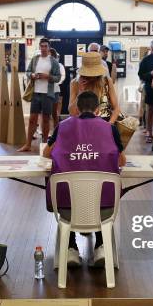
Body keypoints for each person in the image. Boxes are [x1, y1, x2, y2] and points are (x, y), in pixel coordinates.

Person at [43, 91, 126, 267]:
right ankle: (101, 247)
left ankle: (71, 248)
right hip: (104, 209)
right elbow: (121, 160)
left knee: (68, 187)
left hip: (66, 210)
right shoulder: (110, 128)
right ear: (97, 110)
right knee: (100, 191)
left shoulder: (63, 126)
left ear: (77, 108)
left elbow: (47, 153)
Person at [18, 38, 61, 152]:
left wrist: (47, 77)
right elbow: (27, 72)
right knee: (32, 119)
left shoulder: (53, 61)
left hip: (48, 94)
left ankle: (44, 145)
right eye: (41, 46)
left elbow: (58, 78)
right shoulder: (35, 59)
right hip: (36, 93)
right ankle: (27, 144)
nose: (43, 48)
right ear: (39, 47)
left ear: (49, 47)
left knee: (46, 120)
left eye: (45, 46)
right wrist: (32, 75)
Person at [69, 52, 120, 124]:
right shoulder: (75, 83)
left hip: (104, 124)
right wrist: (81, 91)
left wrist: (109, 125)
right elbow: (72, 112)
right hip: (82, 126)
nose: (91, 76)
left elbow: (116, 108)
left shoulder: (107, 81)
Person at [138, 40, 153, 143]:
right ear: (150, 49)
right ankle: (149, 132)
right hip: (150, 87)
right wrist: (150, 74)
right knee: (150, 111)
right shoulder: (146, 60)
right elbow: (140, 74)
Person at [50, 48, 66, 128]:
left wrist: (57, 82)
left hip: (58, 86)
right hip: (47, 89)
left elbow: (62, 76)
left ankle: (58, 116)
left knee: (58, 104)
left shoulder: (60, 66)